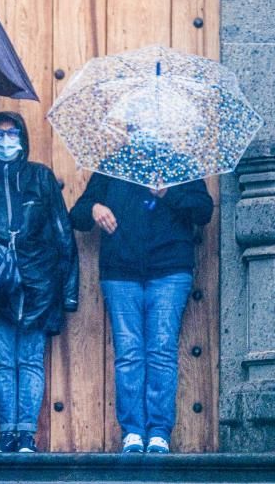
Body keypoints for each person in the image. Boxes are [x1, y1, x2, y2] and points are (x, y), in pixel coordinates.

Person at [0, 112, 79, 454]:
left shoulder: (40, 177)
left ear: (23, 139)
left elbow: (63, 235)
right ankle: (6, 433)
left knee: (29, 359)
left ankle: (26, 434)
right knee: (2, 362)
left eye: (12, 134)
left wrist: (68, 293)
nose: (6, 140)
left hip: (38, 282)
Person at [70, 174, 212, 454]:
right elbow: (78, 215)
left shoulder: (180, 166)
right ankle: (133, 431)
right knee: (129, 354)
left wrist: (168, 194)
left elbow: (203, 211)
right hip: (120, 273)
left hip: (170, 271)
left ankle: (159, 432)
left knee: (161, 350)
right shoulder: (114, 167)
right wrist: (94, 209)